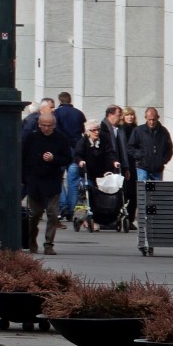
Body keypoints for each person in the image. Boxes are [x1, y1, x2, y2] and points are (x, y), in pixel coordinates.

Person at [22, 111, 69, 254]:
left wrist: (54, 159)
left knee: (53, 214)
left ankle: (49, 244)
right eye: (43, 125)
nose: (46, 128)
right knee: (34, 215)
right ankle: (32, 242)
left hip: (52, 181)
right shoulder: (32, 137)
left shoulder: (61, 138)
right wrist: (24, 179)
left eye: (49, 126)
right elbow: (23, 158)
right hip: (35, 181)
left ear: (54, 125)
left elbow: (67, 159)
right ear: (39, 125)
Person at [131, 107, 173, 256]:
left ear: (158, 118)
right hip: (143, 167)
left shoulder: (163, 132)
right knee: (144, 198)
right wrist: (140, 156)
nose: (151, 122)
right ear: (145, 118)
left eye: (154, 119)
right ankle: (142, 228)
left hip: (156, 168)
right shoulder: (139, 131)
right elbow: (131, 147)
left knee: (156, 200)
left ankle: (154, 234)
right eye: (149, 119)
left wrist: (163, 160)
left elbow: (169, 148)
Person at [74, 120, 119, 232]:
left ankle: (98, 220)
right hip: (87, 173)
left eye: (98, 129)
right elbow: (78, 154)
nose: (96, 132)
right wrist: (80, 161)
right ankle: (81, 218)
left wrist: (114, 161)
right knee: (86, 194)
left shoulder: (103, 140)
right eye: (93, 130)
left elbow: (110, 153)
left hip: (101, 173)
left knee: (99, 197)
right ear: (87, 131)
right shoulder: (83, 141)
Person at [55, 91, 87, 223]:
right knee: (73, 181)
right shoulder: (78, 113)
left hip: (61, 150)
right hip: (75, 149)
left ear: (60, 100)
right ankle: (72, 209)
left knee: (58, 179)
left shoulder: (56, 113)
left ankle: (63, 206)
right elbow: (82, 130)